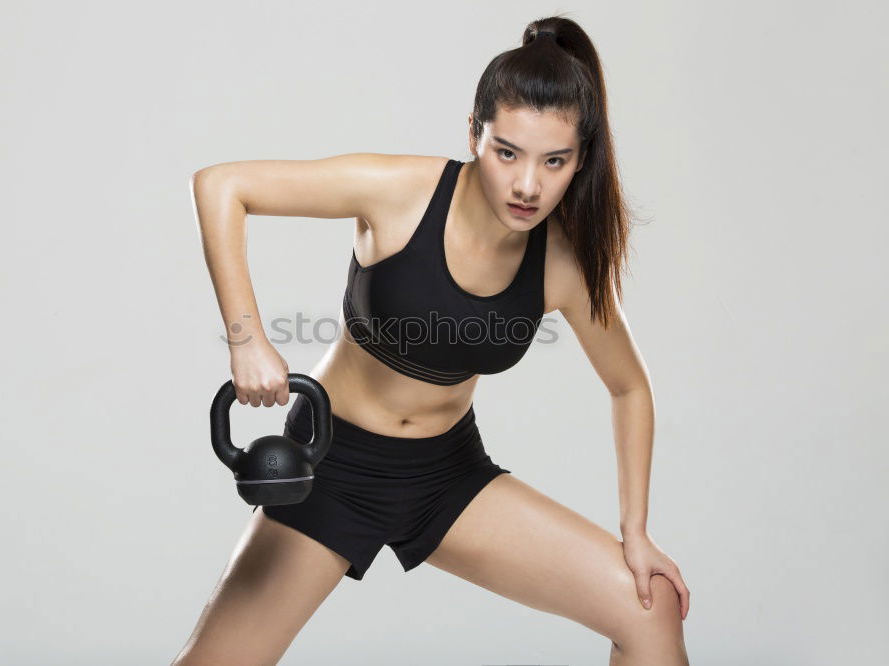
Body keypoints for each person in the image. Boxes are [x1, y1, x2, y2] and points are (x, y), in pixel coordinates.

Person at [174, 14, 690, 666]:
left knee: (651, 608)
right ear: (473, 133)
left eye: (554, 161)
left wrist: (635, 532)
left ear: (579, 160)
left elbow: (629, 386)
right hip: (331, 466)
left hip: (447, 476)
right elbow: (221, 186)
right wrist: (247, 339)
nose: (529, 185)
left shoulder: (560, 265)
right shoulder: (398, 193)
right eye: (508, 152)